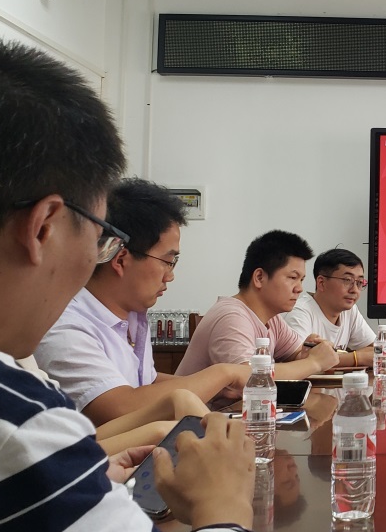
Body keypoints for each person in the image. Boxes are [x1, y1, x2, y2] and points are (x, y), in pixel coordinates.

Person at [0, 37, 260, 532]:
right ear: (43, 227)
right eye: (99, 237)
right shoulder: (0, 418)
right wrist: (225, 508)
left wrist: (75, 477)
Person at [33, 179, 250, 426]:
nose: (170, 276)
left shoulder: (133, 316)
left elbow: (145, 382)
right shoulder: (65, 326)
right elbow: (120, 407)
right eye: (168, 261)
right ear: (121, 259)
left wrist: (215, 388)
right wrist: (223, 373)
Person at [177, 230, 340, 379]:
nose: (299, 288)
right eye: (292, 278)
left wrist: (306, 354)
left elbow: (296, 354)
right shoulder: (231, 317)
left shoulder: (272, 320)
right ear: (259, 277)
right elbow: (248, 379)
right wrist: (314, 363)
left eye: (301, 280)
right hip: (201, 404)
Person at [282, 248, 377, 367]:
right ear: (321, 283)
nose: (354, 290)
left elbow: (379, 351)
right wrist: (357, 358)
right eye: (347, 280)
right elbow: (301, 362)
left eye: (359, 282)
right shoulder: (299, 312)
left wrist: (332, 358)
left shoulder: (350, 310)